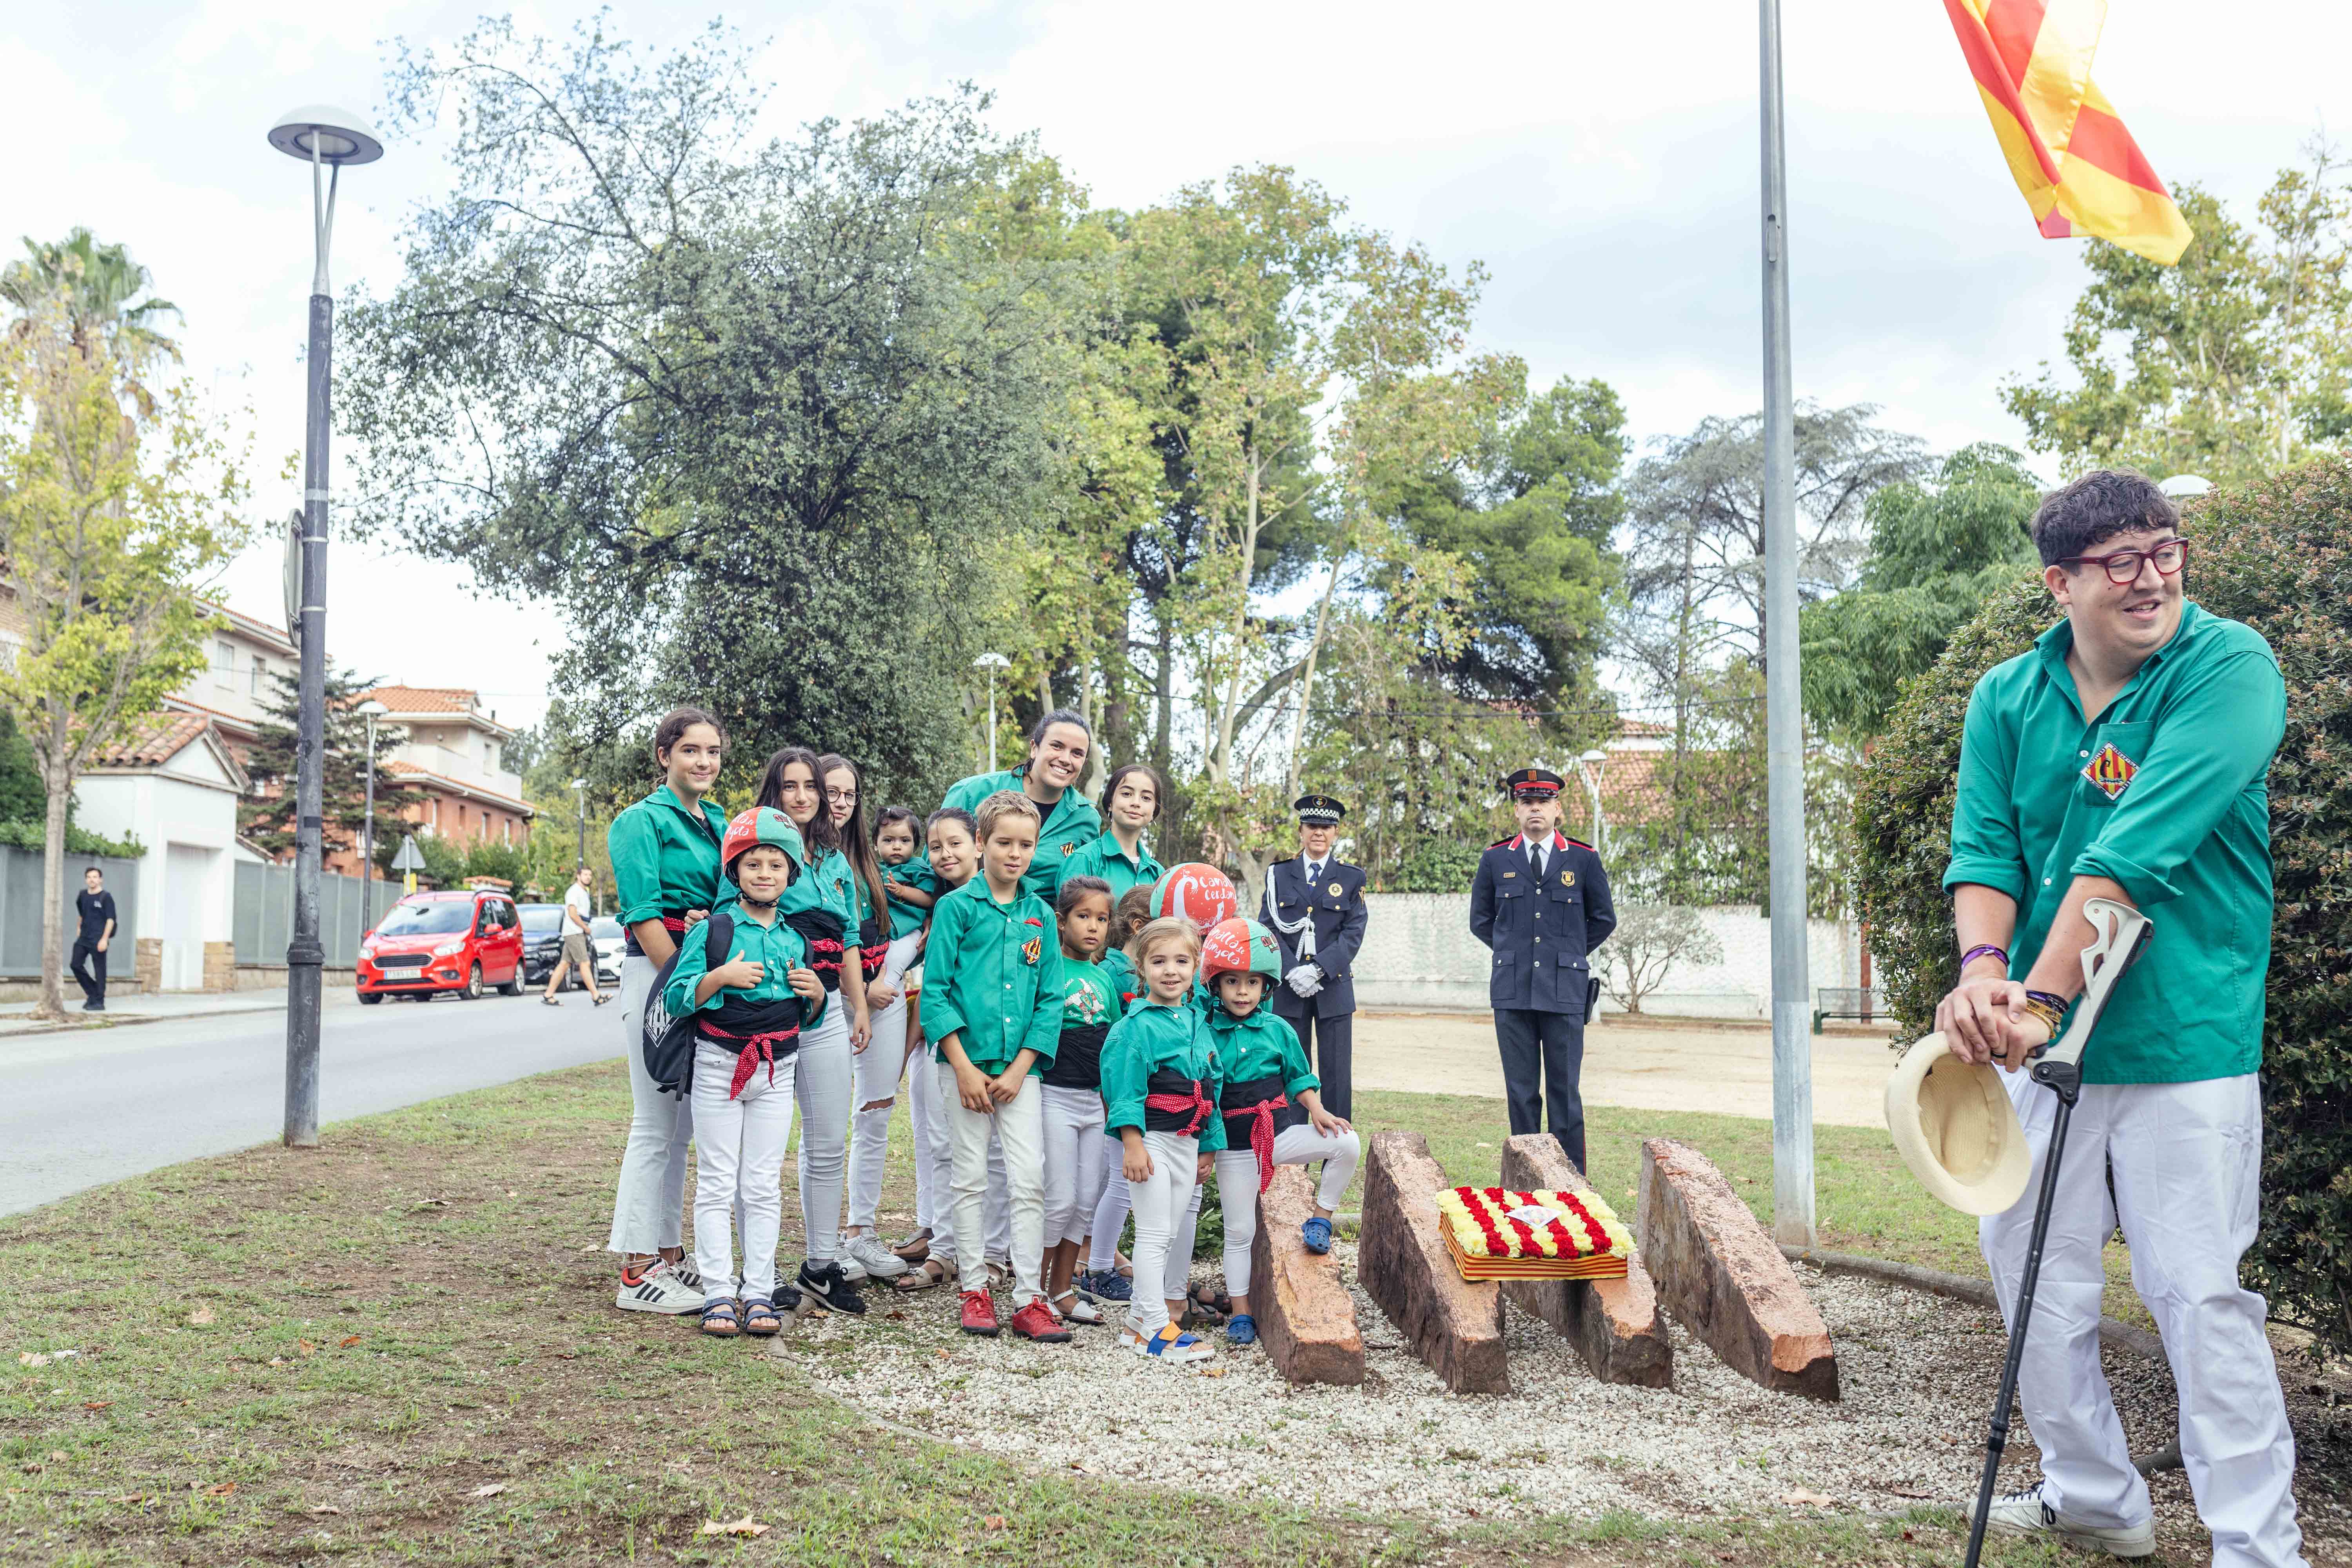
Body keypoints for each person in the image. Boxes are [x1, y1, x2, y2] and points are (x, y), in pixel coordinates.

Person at [1935, 471, 2305, 1567]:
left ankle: (2256, 1545)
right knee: (2033, 1279)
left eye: (2165, 550)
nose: (2153, 577)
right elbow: (1985, 852)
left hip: (2183, 1043)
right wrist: (1986, 973)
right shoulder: (2007, 696)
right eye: (2121, 561)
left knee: (2199, 1296)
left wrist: (2041, 997)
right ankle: (2095, 1498)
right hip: (2040, 1047)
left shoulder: (2230, 668)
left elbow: (2132, 855)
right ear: (2062, 582)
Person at [662, 808, 827, 1339]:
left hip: (777, 1071)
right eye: (753, 864)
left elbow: (809, 1014)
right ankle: (717, 1289)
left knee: (761, 1184)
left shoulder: (796, 940)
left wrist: (819, 996)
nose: (764, 873)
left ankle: (757, 1290)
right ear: (735, 872)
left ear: (790, 875)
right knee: (715, 1181)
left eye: (775, 865)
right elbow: (676, 997)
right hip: (718, 1065)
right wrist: (721, 976)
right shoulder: (714, 931)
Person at [921, 790, 1070, 1343]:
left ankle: (1029, 1297)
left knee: (1029, 1179)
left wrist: (1021, 1067)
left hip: (1018, 1075)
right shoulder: (956, 909)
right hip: (964, 1068)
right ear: (980, 843)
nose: (1015, 854)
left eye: (1025, 845)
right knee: (970, 1178)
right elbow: (935, 993)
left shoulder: (1040, 916)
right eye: (1003, 843)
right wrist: (961, 1067)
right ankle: (974, 1288)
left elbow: (1050, 999)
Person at [605, 707, 731, 1315]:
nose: (703, 762)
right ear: (665, 757)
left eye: (711, 751)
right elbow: (645, 916)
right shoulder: (639, 822)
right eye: (690, 751)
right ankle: (634, 1272)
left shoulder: (719, 822)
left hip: (699, 981)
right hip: (658, 978)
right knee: (653, 1125)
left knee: (680, 1133)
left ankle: (669, 1259)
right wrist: (687, 986)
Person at [1200, 918, 1359, 1347]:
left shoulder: (1279, 1029)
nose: (1242, 991)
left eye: (1252, 982)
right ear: (1215, 984)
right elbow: (1207, 1095)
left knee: (1348, 1141)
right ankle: (1242, 1312)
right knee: (1239, 1232)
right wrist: (1208, 1148)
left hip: (1279, 1137)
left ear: (1267, 986)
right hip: (1234, 1148)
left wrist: (1319, 1109)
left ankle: (1321, 1221)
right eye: (1231, 981)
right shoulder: (1204, 1030)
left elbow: (1299, 1077)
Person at [753, 747, 870, 1317]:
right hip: (770, 1016)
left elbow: (848, 938)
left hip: (826, 1015)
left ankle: (821, 1265)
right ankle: (761, 1268)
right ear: (772, 793)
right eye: (789, 786)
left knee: (827, 1141)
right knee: (765, 1150)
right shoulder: (756, 854)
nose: (802, 797)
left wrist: (859, 1006)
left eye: (811, 787)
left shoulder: (833, 859)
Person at [1468, 768, 1615, 1172]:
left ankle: (1571, 1186)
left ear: (1558, 809)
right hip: (1513, 990)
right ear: (1517, 810)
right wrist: (1512, 952)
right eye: (1527, 802)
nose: (1536, 808)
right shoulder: (1496, 859)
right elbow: (1481, 920)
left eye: (1543, 802)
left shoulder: (1583, 859)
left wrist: (1566, 954)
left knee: (1565, 1092)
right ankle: (1526, 1181)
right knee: (1521, 1093)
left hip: (1564, 990)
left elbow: (1604, 918)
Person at [1099, 915, 1223, 1365]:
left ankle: (1135, 1323)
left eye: (1181, 961)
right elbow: (1123, 1090)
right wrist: (1133, 1143)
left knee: (1168, 1233)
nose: (1170, 970)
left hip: (1187, 1142)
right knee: (1153, 1235)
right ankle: (1155, 1326)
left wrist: (1209, 1143)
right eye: (1159, 961)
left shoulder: (1196, 1021)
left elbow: (1213, 1085)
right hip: (1151, 1139)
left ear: (1196, 965)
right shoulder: (1134, 1028)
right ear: (1141, 966)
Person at [822, 755, 912, 1285]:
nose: (839, 803)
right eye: (831, 792)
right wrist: (857, 993)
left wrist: (892, 976)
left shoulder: (873, 861)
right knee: (829, 1119)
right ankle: (826, 1238)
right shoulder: (798, 854)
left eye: (849, 795)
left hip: (886, 994)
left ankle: (862, 1231)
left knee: (876, 1113)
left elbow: (912, 927)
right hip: (836, 998)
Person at [895, 808, 980, 1295]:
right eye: (937, 846)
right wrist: (908, 1053)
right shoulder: (935, 904)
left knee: (984, 1153)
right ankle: (943, 1246)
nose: (946, 854)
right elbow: (927, 989)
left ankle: (987, 1250)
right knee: (938, 1142)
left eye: (955, 843)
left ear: (978, 844)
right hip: (935, 1037)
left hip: (982, 1042)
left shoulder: (1003, 902)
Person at [1258, 794, 1368, 1118]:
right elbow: (1268, 928)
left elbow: (1354, 932)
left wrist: (1318, 969)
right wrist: (1292, 970)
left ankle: (1336, 1149)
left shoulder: (1352, 877)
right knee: (1291, 1069)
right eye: (1312, 825)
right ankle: (1293, 1154)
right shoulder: (1279, 874)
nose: (1318, 832)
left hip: (1333, 986)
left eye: (1326, 826)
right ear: (1301, 830)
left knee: (1336, 1074)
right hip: (1289, 988)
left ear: (1336, 832)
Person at [1038, 875, 1116, 1327]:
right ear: (1061, 920)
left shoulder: (1104, 979)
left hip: (1093, 1101)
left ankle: (1062, 1290)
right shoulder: (1048, 969)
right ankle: (1034, 1287)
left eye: (1102, 919)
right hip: (1055, 1096)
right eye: (1083, 916)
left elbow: (1114, 1042)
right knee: (1060, 1198)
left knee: (1086, 1200)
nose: (1093, 927)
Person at [1077, 881, 1157, 1306]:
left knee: (1116, 1182)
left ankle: (1103, 1262)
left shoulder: (1138, 971)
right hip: (1111, 1092)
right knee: (1118, 1184)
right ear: (1139, 926)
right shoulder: (1110, 973)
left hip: (1135, 1092)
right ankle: (1099, 1268)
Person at [873, 806, 940, 1266]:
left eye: (905, 840)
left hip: (937, 1018)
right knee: (923, 1127)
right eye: (888, 840)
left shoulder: (930, 886)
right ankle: (929, 1223)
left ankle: (952, 1235)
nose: (896, 847)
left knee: (945, 1135)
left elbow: (927, 899)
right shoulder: (868, 871)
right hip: (900, 994)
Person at [940, 709, 1101, 898]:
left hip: (1043, 924)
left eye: (1077, 753)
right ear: (1034, 748)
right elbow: (933, 866)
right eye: (1057, 746)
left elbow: (1083, 893)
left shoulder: (1086, 819)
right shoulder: (971, 793)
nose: (1066, 759)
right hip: (968, 920)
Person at [1058, 763, 1165, 904]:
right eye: (1127, 794)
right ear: (1110, 803)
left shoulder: (1159, 874)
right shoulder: (1084, 860)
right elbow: (1071, 920)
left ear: (1154, 812)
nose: (1136, 803)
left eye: (1146, 798)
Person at [542, 865, 608, 1006]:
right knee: (585, 962)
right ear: (578, 876)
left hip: (576, 932)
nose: (588, 877)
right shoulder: (574, 891)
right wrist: (585, 928)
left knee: (565, 964)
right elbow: (572, 913)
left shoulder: (584, 891)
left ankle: (548, 995)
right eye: (585, 874)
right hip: (575, 932)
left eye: (590, 875)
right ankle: (596, 996)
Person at [71, 867, 116, 1013]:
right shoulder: (82, 895)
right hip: (84, 938)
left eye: (95, 877)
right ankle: (93, 993)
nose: (92, 880)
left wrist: (104, 939)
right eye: (89, 877)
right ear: (86, 880)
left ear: (100, 880)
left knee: (100, 970)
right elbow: (81, 914)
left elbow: (111, 920)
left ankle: (99, 1001)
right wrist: (79, 928)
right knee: (76, 965)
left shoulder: (106, 897)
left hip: (99, 939)